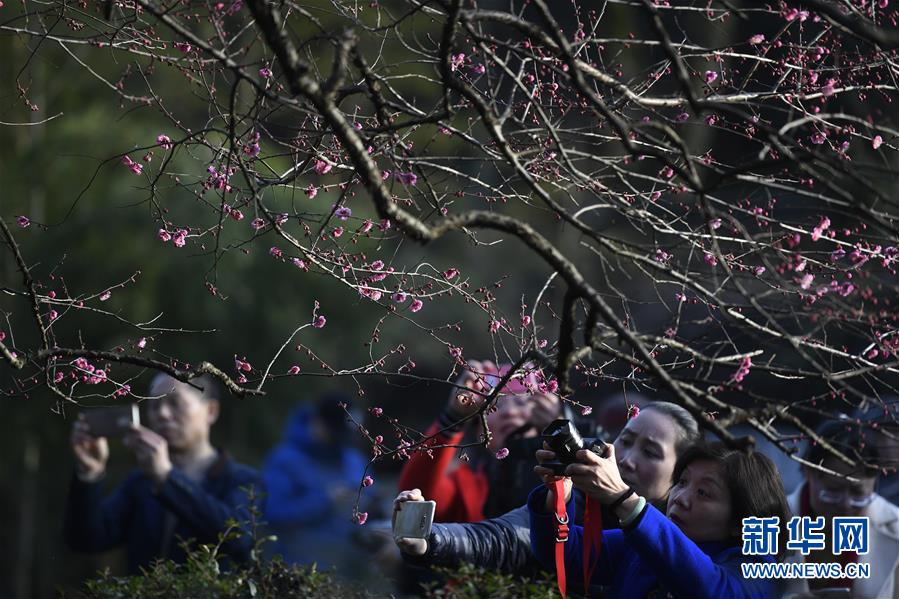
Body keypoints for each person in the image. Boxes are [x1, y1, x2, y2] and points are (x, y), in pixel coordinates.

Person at [394, 401, 702, 586]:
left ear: (680, 475)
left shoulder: (693, 537)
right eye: (626, 440)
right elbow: (507, 538)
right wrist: (430, 541)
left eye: (650, 452)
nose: (627, 459)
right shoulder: (574, 499)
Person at [529, 441, 790, 598]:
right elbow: (568, 554)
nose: (680, 498)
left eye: (703, 493)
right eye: (682, 482)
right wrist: (560, 492)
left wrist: (625, 499)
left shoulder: (758, 569)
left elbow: (711, 589)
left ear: (740, 520)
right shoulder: (638, 546)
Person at [65, 373, 263, 573]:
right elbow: (87, 540)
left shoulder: (243, 480)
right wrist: (90, 473)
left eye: (175, 403)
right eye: (154, 405)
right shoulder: (141, 481)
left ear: (211, 411)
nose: (162, 414)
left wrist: (166, 477)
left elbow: (238, 540)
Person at [397, 360, 561, 523]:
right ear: (479, 431)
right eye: (496, 405)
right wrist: (453, 417)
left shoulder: (566, 473)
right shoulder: (466, 489)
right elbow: (419, 491)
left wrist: (559, 428)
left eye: (520, 402)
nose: (510, 412)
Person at [782, 419, 899, 599]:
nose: (846, 504)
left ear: (875, 481)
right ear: (807, 471)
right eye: (833, 490)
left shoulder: (895, 528)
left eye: (858, 493)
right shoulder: (769, 521)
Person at [262, 394, 370, 571]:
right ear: (317, 422)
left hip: (347, 574)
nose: (340, 441)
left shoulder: (353, 460)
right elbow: (273, 513)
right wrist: (325, 500)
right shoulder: (285, 460)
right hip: (298, 573)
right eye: (336, 434)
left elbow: (372, 502)